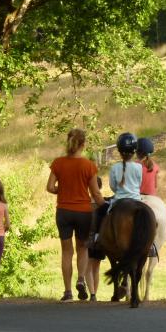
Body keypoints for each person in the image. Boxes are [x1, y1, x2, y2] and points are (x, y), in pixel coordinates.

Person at [47, 128, 105, 302]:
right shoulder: (88, 165)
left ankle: (67, 292)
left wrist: (63, 190)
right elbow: (95, 193)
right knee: (82, 248)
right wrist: (106, 206)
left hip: (63, 211)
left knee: (66, 251)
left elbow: (50, 187)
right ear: (83, 144)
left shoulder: (58, 163)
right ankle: (81, 279)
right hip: (83, 212)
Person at [90, 132, 142, 244]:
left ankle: (97, 237)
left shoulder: (114, 167)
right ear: (134, 151)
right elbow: (139, 183)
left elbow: (113, 187)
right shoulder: (139, 167)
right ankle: (151, 244)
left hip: (119, 201)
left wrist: (120, 191)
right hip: (137, 200)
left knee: (100, 212)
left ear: (119, 151)